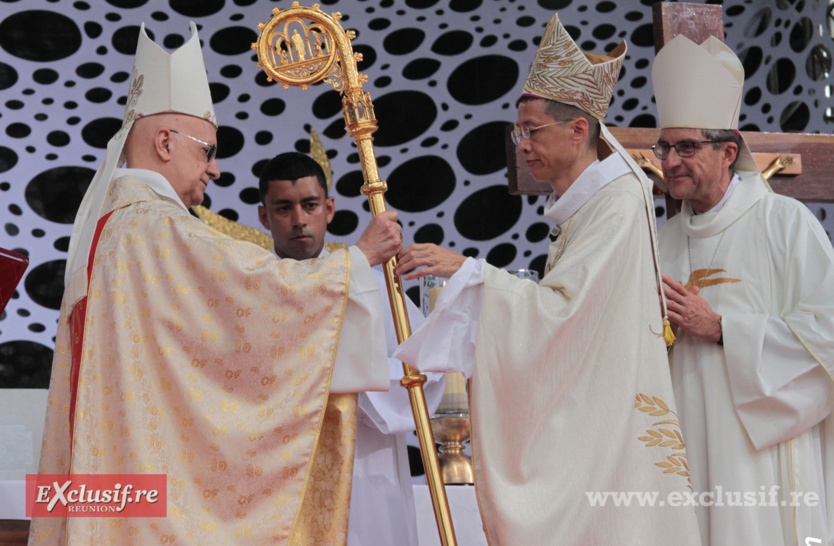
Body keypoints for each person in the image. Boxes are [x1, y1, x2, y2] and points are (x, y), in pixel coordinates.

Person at [28, 22, 403, 544]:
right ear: (164, 142)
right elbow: (258, 293)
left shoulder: (109, 229)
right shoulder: (153, 227)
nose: (215, 168)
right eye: (206, 150)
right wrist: (357, 261)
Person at [393, 13, 700, 545]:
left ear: (578, 130)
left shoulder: (617, 202)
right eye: (520, 132)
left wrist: (469, 273)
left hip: (611, 435)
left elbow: (563, 313)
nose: (522, 145)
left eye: (531, 131)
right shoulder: (588, 205)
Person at [653, 35, 834, 545]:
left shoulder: (784, 223)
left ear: (728, 152)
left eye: (687, 147)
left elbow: (827, 336)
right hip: (680, 447)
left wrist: (723, 329)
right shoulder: (659, 241)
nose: (670, 161)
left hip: (757, 456)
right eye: (666, 147)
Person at [256, 151, 445, 546]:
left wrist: (355, 380)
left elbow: (425, 369)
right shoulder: (253, 289)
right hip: (278, 475)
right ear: (264, 216)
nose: (299, 220)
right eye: (283, 208)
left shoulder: (374, 285)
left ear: (329, 209)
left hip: (365, 468)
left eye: (310, 205)